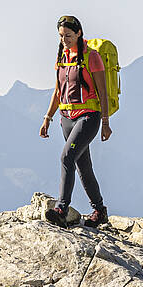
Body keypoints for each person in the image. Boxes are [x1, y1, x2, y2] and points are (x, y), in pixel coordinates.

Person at [40, 14, 112, 227]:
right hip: (66, 118)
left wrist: (106, 123)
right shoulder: (62, 56)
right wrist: (48, 118)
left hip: (88, 117)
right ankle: (99, 210)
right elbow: (57, 91)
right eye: (61, 36)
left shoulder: (92, 57)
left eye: (68, 35)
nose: (64, 40)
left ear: (79, 32)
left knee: (66, 156)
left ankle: (61, 208)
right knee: (82, 165)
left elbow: (103, 92)